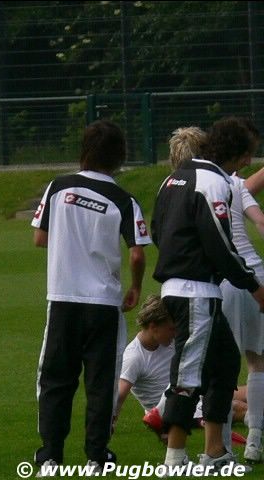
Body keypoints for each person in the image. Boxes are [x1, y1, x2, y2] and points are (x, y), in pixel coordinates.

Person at [31, 119, 151, 472]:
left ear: (84, 150)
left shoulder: (58, 187)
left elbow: (39, 238)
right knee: (101, 382)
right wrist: (135, 287)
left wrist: (70, 245)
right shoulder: (123, 199)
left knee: (55, 379)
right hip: (103, 303)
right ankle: (96, 456)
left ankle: (50, 456)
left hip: (63, 297)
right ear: (119, 156)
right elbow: (137, 253)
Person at [151, 116, 264, 472]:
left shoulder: (173, 178)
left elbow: (157, 231)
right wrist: (254, 286)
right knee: (187, 376)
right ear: (236, 153)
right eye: (247, 154)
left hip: (186, 288)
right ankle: (174, 458)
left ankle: (216, 453)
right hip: (195, 291)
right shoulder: (213, 182)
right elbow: (221, 245)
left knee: (225, 363)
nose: (248, 162)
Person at [114, 295, 248, 445]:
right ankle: (254, 432)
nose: (175, 333)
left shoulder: (166, 341)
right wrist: (110, 422)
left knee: (250, 392)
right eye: (172, 329)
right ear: (153, 327)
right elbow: (120, 394)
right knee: (238, 408)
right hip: (174, 407)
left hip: (193, 393)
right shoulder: (134, 357)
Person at [219, 119, 264, 463]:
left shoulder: (195, 182)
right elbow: (260, 221)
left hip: (222, 276)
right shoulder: (236, 184)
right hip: (255, 274)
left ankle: (222, 447)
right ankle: (255, 441)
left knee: (220, 366)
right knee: (257, 361)